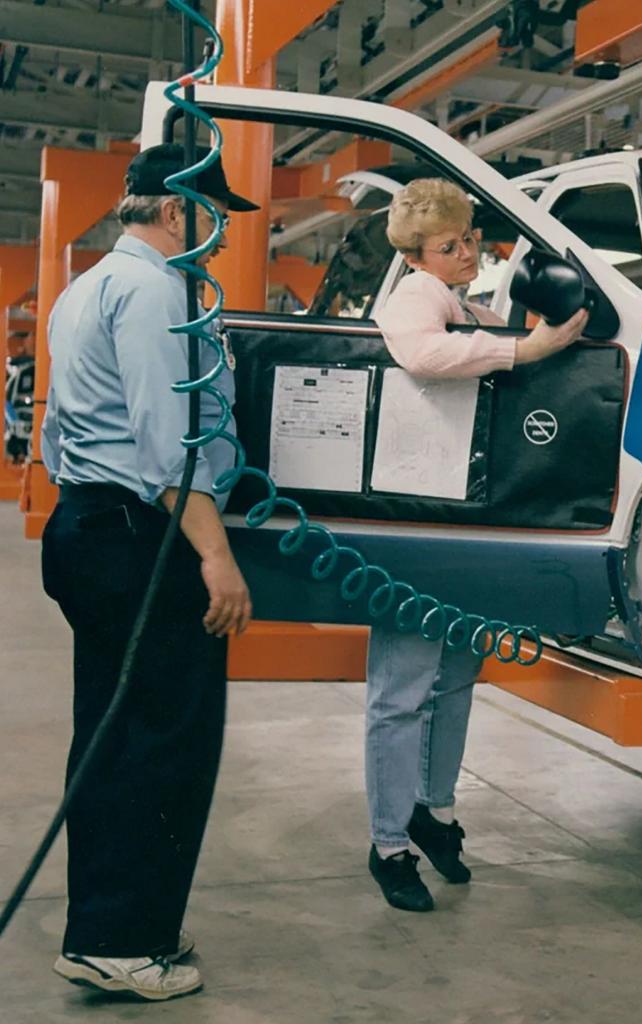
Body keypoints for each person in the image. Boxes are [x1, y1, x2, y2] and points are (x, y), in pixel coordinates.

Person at [40, 144, 257, 1001]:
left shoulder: (86, 287)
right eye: (214, 217)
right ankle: (123, 943)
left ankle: (116, 922)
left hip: (89, 526)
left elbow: (61, 432)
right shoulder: (157, 293)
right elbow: (171, 448)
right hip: (143, 539)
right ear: (175, 212)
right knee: (164, 742)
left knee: (112, 733)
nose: (219, 236)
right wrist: (216, 555)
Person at [367, 178, 588, 912]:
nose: (466, 252)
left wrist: (537, 332)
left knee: (455, 676)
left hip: (459, 518)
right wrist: (526, 348)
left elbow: (500, 344)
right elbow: (422, 353)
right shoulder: (416, 296)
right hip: (415, 521)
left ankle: (433, 810)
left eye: (468, 238)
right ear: (417, 255)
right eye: (449, 245)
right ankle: (388, 845)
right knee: (403, 690)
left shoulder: (466, 305)